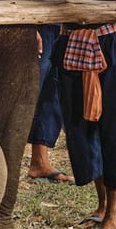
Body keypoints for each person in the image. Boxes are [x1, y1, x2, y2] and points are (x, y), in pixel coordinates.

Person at [45, 0, 116, 229]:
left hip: (111, 48)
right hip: (71, 47)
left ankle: (112, 217)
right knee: (81, 130)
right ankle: (101, 206)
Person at [26, 23, 75, 184]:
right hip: (35, 20)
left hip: (63, 23)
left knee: (54, 91)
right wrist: (29, 28)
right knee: (26, 92)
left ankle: (39, 161)